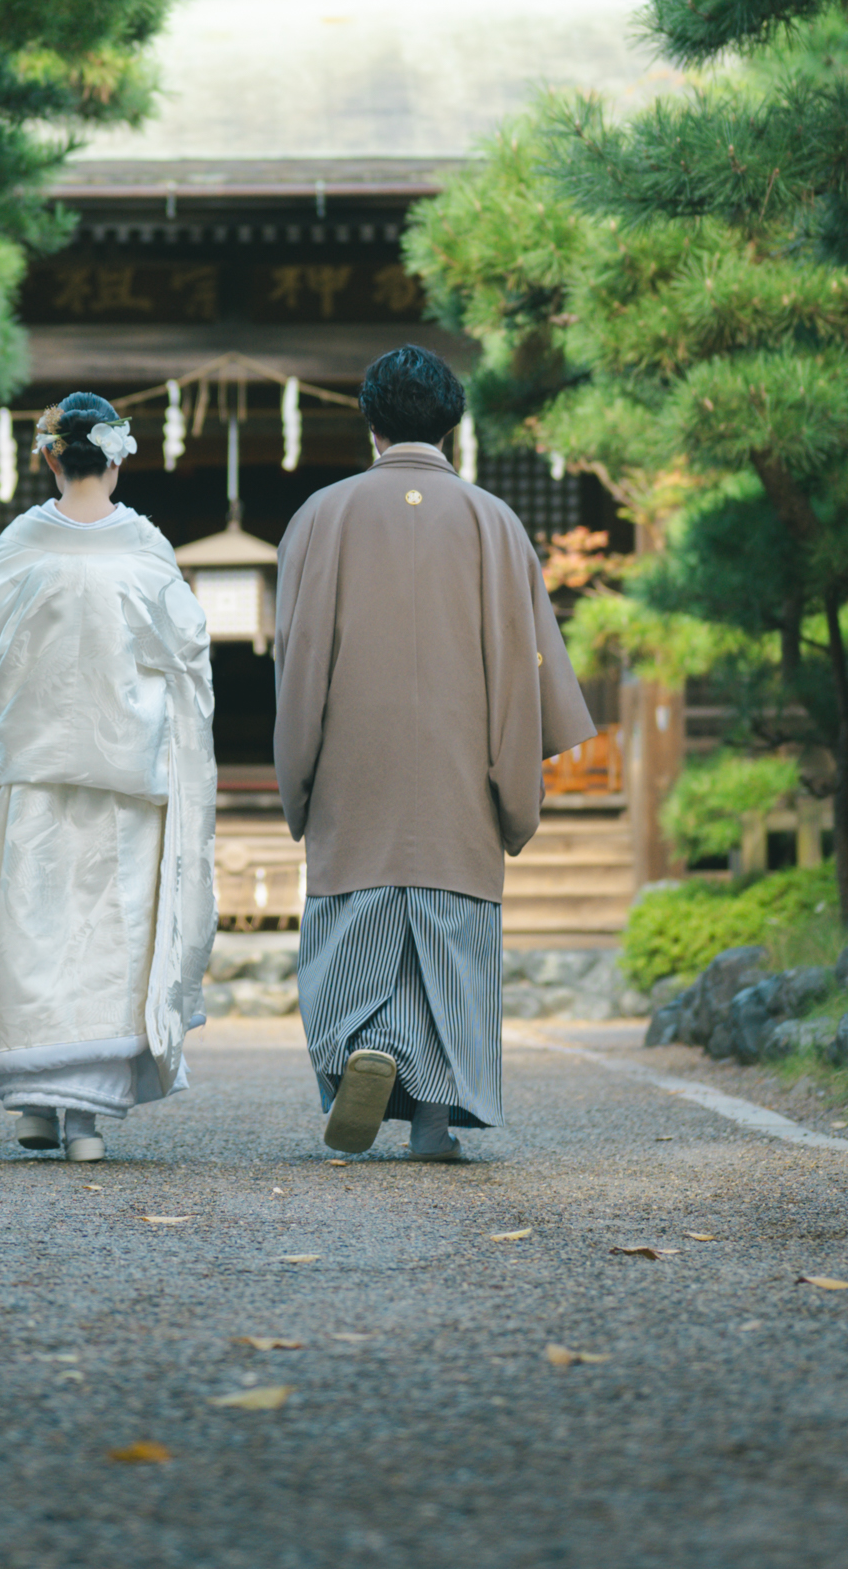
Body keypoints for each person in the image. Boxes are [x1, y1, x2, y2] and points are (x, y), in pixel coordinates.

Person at [273, 345, 599, 1161]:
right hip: (460, 783)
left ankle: (370, 1043)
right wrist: (515, 787)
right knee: (450, 952)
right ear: (452, 422)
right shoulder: (495, 520)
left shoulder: (322, 514)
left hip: (356, 780)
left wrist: (298, 776)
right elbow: (526, 672)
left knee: (357, 936)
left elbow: (298, 660)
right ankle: (431, 1121)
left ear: (371, 421)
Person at [0, 393, 219, 1162]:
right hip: (126, 776)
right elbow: (188, 652)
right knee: (106, 939)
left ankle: (33, 1102)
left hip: (35, 771)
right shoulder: (145, 546)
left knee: (33, 930)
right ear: (117, 458)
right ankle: (81, 1121)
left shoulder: (23, 542)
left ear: (51, 456)